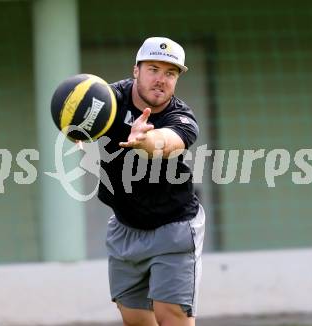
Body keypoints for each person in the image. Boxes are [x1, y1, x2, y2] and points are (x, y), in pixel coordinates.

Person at [95, 36, 205, 326]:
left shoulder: (181, 116)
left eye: (170, 73)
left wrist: (145, 140)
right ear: (136, 71)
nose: (161, 80)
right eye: (153, 69)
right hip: (124, 224)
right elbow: (79, 109)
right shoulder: (109, 99)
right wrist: (74, 128)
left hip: (174, 225)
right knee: (135, 318)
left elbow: (169, 142)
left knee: (171, 315)